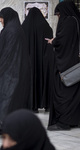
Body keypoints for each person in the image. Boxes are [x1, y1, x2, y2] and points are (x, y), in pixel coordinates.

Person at [46, 1, 80, 130]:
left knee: (64, 93)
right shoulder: (76, 20)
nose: (59, 17)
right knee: (74, 93)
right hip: (75, 64)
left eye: (59, 14)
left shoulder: (69, 22)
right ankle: (73, 120)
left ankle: (64, 122)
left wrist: (54, 42)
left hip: (67, 65)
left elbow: (63, 42)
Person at [22, 7, 54, 113]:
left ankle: (32, 106)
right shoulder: (45, 26)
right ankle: (46, 105)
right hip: (43, 61)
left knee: (30, 80)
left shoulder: (24, 27)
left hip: (29, 61)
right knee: (44, 79)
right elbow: (49, 40)